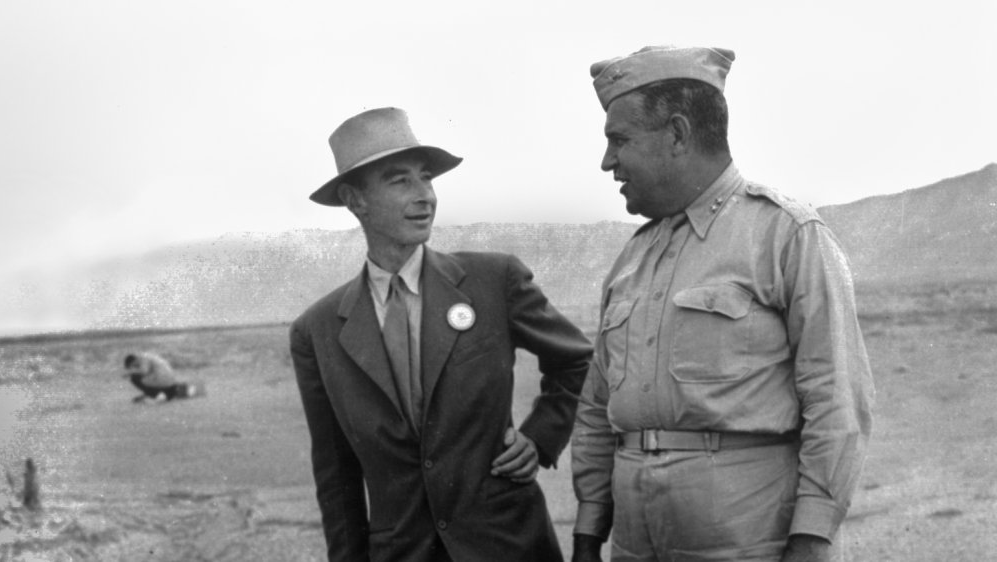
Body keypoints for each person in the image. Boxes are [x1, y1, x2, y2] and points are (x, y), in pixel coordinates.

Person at [571, 46, 875, 562]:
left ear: (677, 134)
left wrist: (810, 540)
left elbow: (838, 401)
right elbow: (599, 409)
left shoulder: (786, 234)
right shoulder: (632, 258)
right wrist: (587, 535)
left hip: (749, 541)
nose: (607, 161)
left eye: (619, 140)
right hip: (635, 543)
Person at [290, 107, 593, 561]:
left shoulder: (493, 281)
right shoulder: (317, 331)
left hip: (508, 545)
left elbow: (577, 360)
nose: (424, 196)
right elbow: (336, 478)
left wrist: (540, 436)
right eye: (400, 181)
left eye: (426, 178)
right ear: (355, 201)